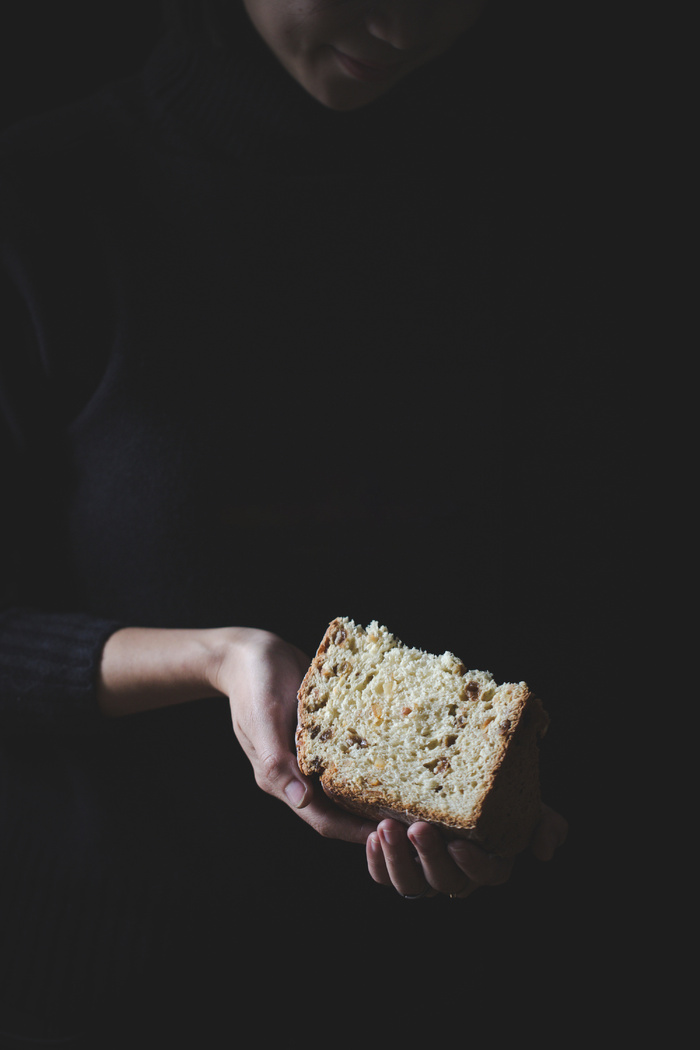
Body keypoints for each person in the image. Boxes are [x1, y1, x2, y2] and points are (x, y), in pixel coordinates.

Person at [1, 1, 570, 1041]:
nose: (409, 23)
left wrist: (506, 819)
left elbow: (545, 582)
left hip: (408, 988)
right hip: (93, 979)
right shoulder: (41, 199)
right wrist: (215, 658)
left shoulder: (509, 212)